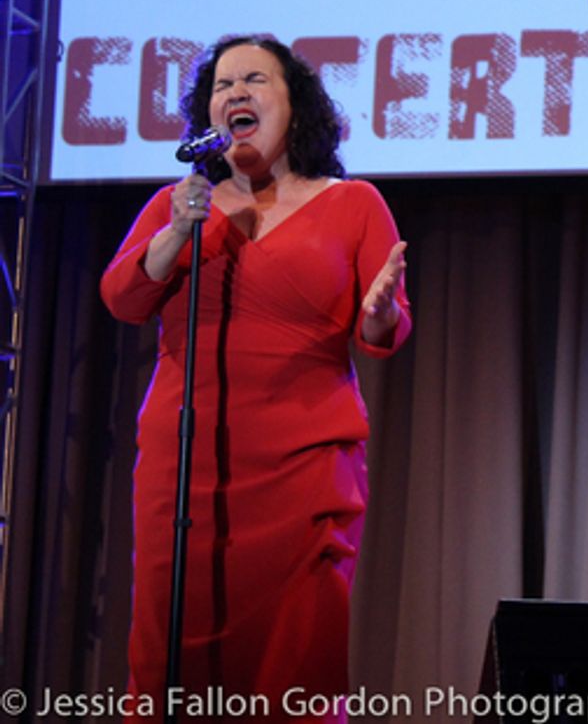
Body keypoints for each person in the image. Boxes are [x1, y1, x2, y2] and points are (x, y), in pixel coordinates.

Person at [101, 36, 411, 721]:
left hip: (304, 471)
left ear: (294, 105)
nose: (234, 92)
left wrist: (382, 311)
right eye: (221, 84)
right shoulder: (180, 204)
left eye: (255, 80)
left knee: (296, 659)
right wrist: (179, 230)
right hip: (187, 471)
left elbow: (383, 332)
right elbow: (123, 298)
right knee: (167, 657)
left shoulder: (354, 203)